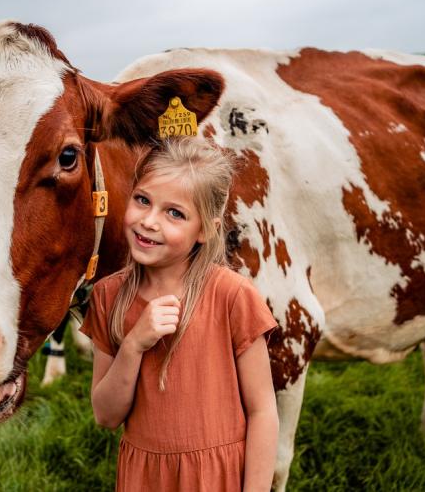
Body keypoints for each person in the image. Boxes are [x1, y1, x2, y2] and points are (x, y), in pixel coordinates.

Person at [80, 137, 279, 491]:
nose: (149, 221)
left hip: (216, 479)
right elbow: (106, 415)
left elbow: (263, 411)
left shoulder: (232, 297)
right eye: (142, 200)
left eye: (175, 213)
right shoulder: (108, 296)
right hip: (146, 479)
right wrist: (133, 346)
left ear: (205, 229)